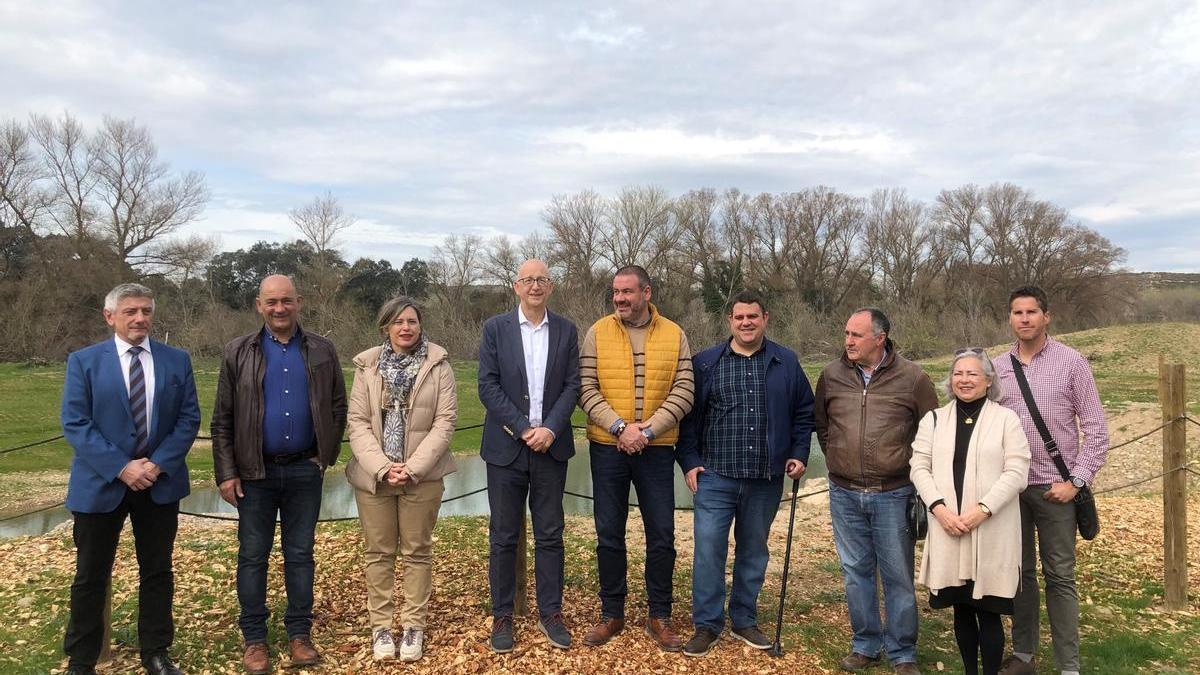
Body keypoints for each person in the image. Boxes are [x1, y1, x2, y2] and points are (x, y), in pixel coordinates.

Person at [60, 283, 200, 675]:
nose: (140, 318)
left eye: (146, 311)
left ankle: (155, 652)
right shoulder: (84, 362)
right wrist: (122, 467)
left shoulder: (177, 360)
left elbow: (188, 419)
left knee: (157, 571)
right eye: (130, 312)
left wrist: (155, 465)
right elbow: (75, 422)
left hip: (159, 484)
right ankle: (82, 659)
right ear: (110, 317)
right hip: (101, 485)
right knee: (90, 574)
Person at [211, 274, 347, 674]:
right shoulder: (238, 352)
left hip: (305, 469)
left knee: (300, 555)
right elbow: (223, 419)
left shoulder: (322, 350)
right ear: (259, 305)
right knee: (253, 556)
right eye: (271, 302)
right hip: (255, 473)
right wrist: (226, 472)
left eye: (286, 300)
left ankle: (299, 634)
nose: (279, 308)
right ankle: (254, 639)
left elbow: (337, 406)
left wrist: (326, 455)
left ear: (298, 302)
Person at [676, 290, 814, 657]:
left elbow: (804, 412)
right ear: (730, 321)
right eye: (739, 317)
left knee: (754, 551)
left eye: (752, 316)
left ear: (765, 318)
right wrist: (689, 461)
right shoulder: (706, 363)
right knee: (708, 551)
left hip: (765, 478)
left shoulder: (785, 361)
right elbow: (686, 419)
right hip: (716, 477)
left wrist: (799, 453)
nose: (746, 323)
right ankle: (707, 624)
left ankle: (743, 619)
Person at [814, 307, 939, 675]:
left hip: (894, 492)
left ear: (879, 339)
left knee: (898, 573)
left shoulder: (913, 378)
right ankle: (865, 644)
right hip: (844, 492)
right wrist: (838, 458)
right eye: (847, 334)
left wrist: (912, 474)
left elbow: (930, 433)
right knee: (855, 571)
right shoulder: (832, 375)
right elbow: (822, 426)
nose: (848, 341)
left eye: (856, 335)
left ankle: (902, 653)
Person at [993, 286, 1109, 675]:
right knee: (1020, 576)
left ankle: (1069, 665)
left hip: (1056, 490)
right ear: (1009, 318)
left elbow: (1096, 430)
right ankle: (1024, 655)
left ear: (1047, 316)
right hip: (1011, 490)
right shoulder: (997, 367)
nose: (1023, 319)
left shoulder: (1072, 363)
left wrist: (1075, 481)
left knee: (1059, 576)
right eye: (1016, 312)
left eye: (1031, 312)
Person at [578, 265, 694, 651]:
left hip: (657, 449)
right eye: (616, 292)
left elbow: (684, 390)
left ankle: (659, 615)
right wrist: (619, 428)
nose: (620, 299)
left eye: (627, 292)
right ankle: (612, 612)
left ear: (646, 292)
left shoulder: (675, 334)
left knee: (661, 534)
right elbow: (586, 387)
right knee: (609, 533)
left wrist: (646, 431)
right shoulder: (598, 332)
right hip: (607, 446)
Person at [345, 296, 457, 662]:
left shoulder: (438, 365)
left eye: (411, 321)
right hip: (375, 477)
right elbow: (358, 422)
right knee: (378, 553)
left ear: (420, 325)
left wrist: (413, 467)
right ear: (385, 327)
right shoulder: (367, 366)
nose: (405, 327)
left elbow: (445, 422)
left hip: (421, 477)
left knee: (417, 552)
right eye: (398, 322)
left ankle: (413, 627)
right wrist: (382, 466)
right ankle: (381, 627)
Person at [478, 260, 581, 653]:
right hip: (506, 448)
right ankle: (503, 614)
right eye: (528, 280)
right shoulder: (495, 329)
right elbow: (486, 385)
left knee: (551, 535)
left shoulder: (566, 330)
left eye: (542, 280)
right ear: (516, 286)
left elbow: (573, 385)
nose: (535, 286)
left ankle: (551, 613)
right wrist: (523, 427)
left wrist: (550, 429)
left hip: (551, 449)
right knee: (503, 537)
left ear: (550, 287)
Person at [910, 349, 1030, 675]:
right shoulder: (933, 420)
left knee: (988, 610)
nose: (964, 380)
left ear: (989, 380)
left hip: (990, 528)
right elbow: (919, 467)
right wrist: (939, 509)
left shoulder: (1006, 420)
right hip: (948, 525)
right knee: (961, 608)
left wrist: (982, 510)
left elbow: (1017, 471)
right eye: (958, 373)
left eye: (972, 374)